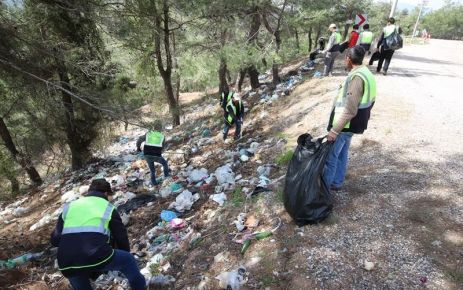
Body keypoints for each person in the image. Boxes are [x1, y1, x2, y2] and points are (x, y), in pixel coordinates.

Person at [50, 179, 146, 290]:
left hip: (66, 262)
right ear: (106, 193)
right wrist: (123, 254)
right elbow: (121, 236)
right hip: (96, 255)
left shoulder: (69, 207)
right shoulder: (107, 207)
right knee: (128, 260)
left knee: (77, 276)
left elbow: (55, 240)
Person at [324, 46, 376, 191]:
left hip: (346, 125)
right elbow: (371, 100)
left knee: (331, 156)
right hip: (353, 124)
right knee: (341, 153)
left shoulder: (357, 78)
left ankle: (324, 190)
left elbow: (350, 109)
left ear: (348, 58)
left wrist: (334, 131)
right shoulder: (366, 73)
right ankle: (337, 182)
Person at [136, 121, 170, 186]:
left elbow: (140, 139)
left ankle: (154, 184)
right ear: (161, 128)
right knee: (165, 163)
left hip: (147, 154)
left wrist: (138, 148)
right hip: (156, 155)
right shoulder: (162, 136)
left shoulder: (148, 134)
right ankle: (166, 177)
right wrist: (161, 151)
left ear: (154, 127)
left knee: (152, 170)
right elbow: (162, 147)